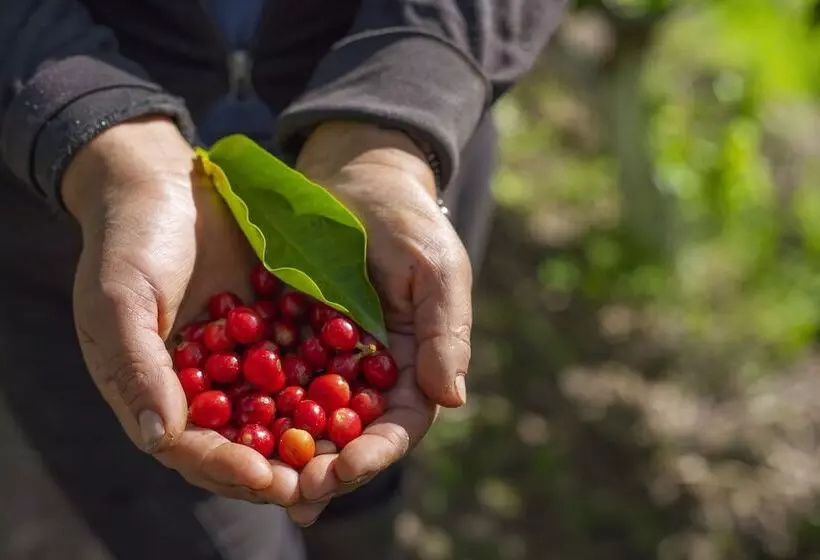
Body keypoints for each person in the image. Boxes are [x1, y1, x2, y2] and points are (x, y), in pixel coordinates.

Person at [0, 1, 568, 559]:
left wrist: (399, 112)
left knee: (366, 486)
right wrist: (92, 129)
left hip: (398, 163)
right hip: (66, 224)